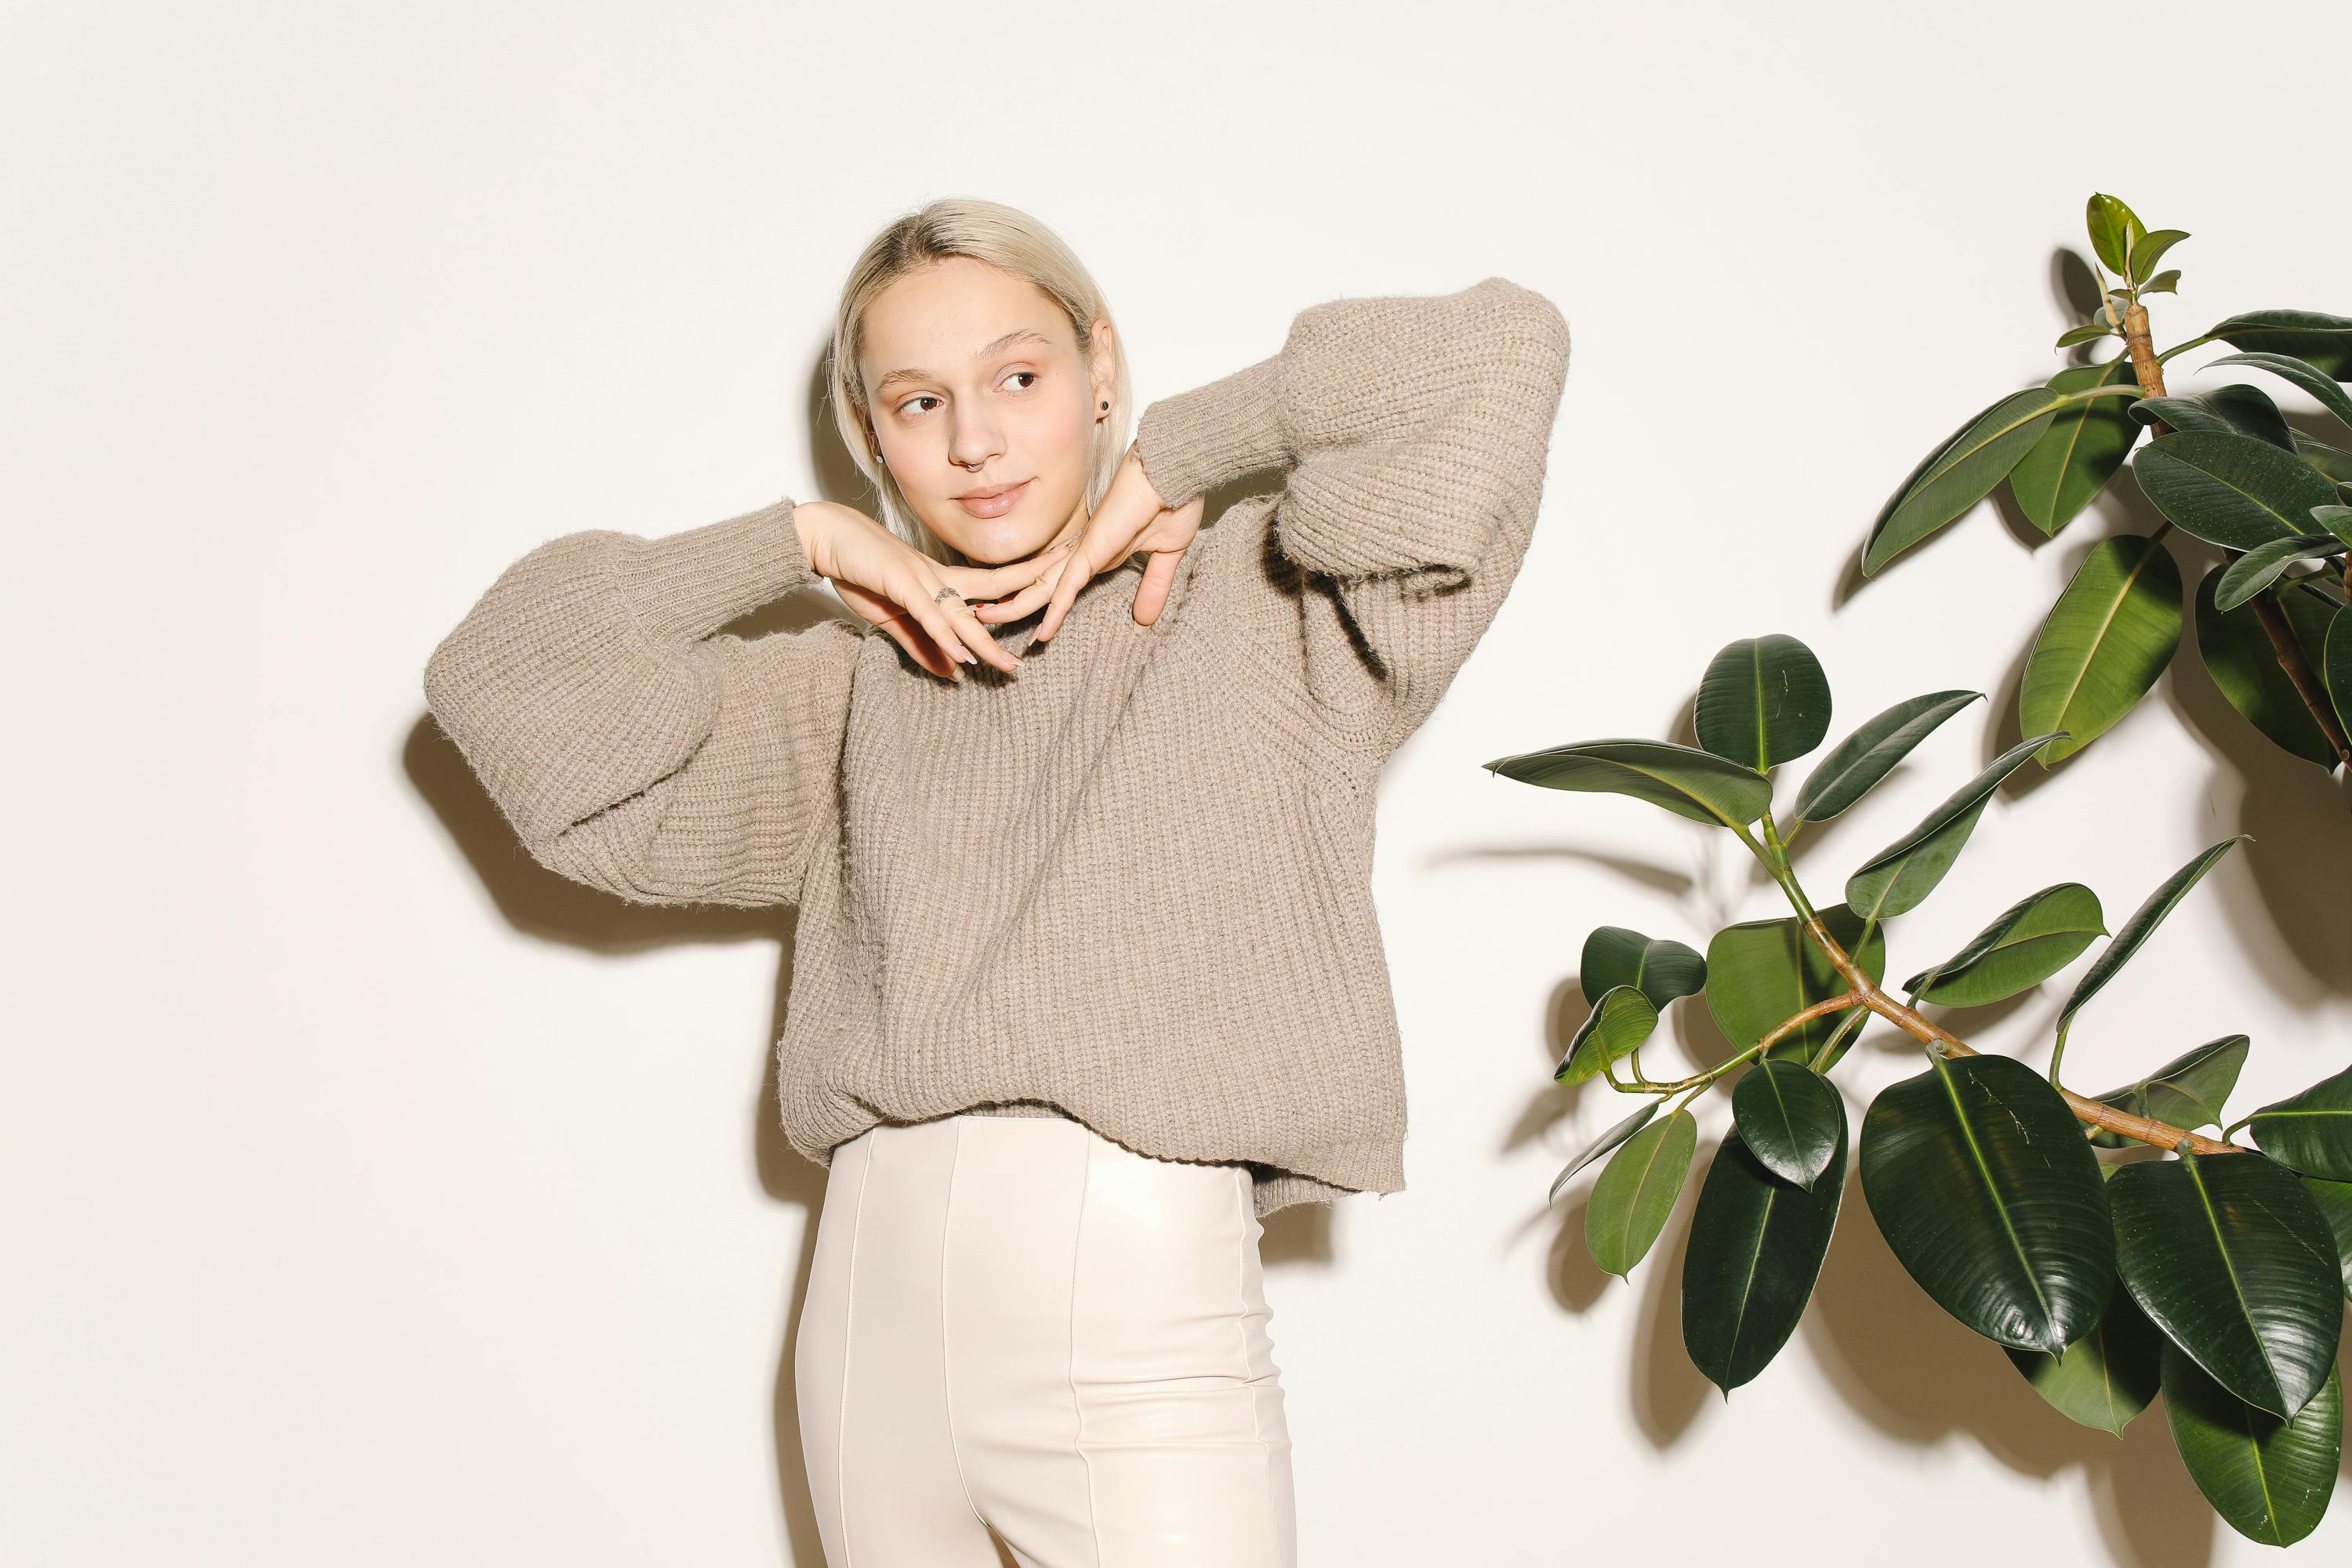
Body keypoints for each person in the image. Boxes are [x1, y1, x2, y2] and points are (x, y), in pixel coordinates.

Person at [423, 197, 1571, 1567]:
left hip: (1138, 1307)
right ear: (872, 435)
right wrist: (798, 543)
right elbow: (495, 682)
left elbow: (1499, 356)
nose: (972, 441)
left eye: (1018, 377)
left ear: (1098, 367)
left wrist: (1185, 452)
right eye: (916, 404)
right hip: (869, 1321)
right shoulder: (844, 690)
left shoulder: (1272, 596)